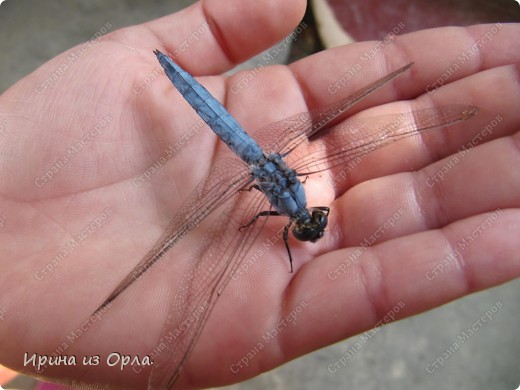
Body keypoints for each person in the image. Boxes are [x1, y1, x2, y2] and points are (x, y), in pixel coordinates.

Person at [0, 0, 518, 388]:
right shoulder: (281, 208)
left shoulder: (296, 199)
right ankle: (172, 72)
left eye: (307, 224)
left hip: (261, 161)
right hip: (245, 147)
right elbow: (264, 222)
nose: (308, 227)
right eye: (309, 225)